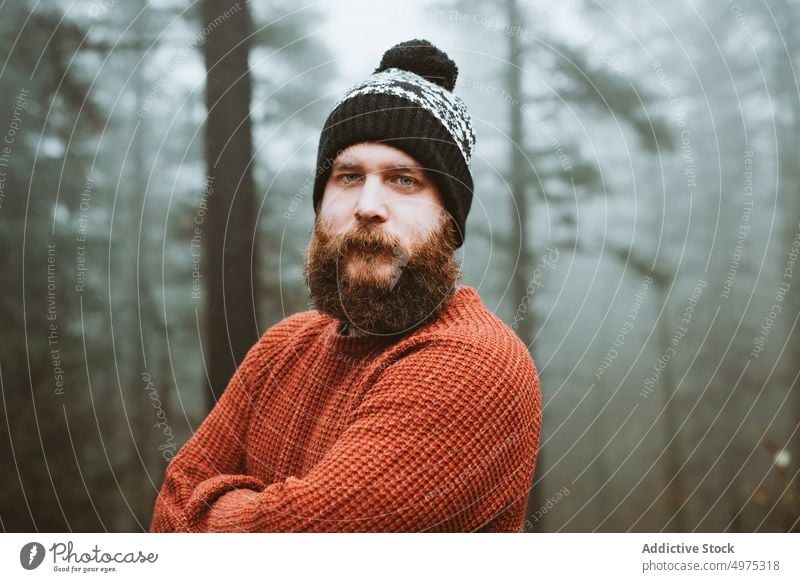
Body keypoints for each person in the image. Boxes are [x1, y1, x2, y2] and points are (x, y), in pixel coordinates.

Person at [150, 39, 541, 533]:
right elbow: (169, 505)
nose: (368, 205)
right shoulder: (281, 349)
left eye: (403, 180)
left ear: (449, 217)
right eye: (349, 176)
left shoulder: (475, 365)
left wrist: (211, 510)